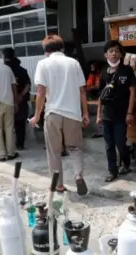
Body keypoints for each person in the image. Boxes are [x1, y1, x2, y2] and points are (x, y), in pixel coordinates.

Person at [30, 35, 90, 195]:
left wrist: (36, 116)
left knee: (53, 151)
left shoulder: (43, 64)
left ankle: (59, 185)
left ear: (45, 52)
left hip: (53, 114)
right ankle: (78, 175)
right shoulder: (74, 63)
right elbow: (82, 91)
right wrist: (85, 113)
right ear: (62, 48)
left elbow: (41, 92)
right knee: (75, 148)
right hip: (73, 114)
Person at [97, 40, 136, 182]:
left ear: (120, 54)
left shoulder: (127, 70)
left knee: (120, 143)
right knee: (109, 145)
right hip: (107, 115)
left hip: (121, 115)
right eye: (111, 51)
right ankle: (112, 171)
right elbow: (101, 96)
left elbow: (132, 92)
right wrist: (98, 115)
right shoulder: (103, 72)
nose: (114, 53)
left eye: (117, 51)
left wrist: (129, 113)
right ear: (105, 54)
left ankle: (126, 164)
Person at [3, 48, 31, 150]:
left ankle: (8, 146)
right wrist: (20, 96)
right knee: (20, 124)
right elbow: (27, 84)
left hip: (6, 101)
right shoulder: (22, 70)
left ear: (4, 57)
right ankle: (20, 144)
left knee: (7, 125)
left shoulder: (4, 70)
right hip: (21, 100)